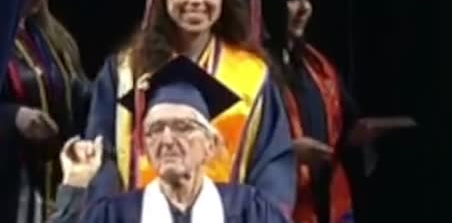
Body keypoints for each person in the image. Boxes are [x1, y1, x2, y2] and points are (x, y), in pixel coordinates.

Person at [85, 0, 296, 212]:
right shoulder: (125, 72)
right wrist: (113, 214)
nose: (196, 0)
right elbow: (102, 156)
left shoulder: (252, 76)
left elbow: (273, 166)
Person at [260, 0, 416, 223]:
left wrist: (366, 132)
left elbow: (344, 127)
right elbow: (240, 143)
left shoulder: (317, 65)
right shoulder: (252, 68)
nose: (304, 8)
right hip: (283, 203)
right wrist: (288, 149)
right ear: (272, 1)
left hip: (329, 202)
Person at [50, 56, 292, 223]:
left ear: (211, 145)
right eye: (155, 129)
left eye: (183, 127)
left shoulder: (249, 209)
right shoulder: (116, 214)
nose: (166, 139)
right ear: (143, 146)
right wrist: (75, 184)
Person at [0, 0, 91, 222]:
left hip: (55, 180)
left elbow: (80, 94)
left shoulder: (55, 38)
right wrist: (13, 117)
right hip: (11, 184)